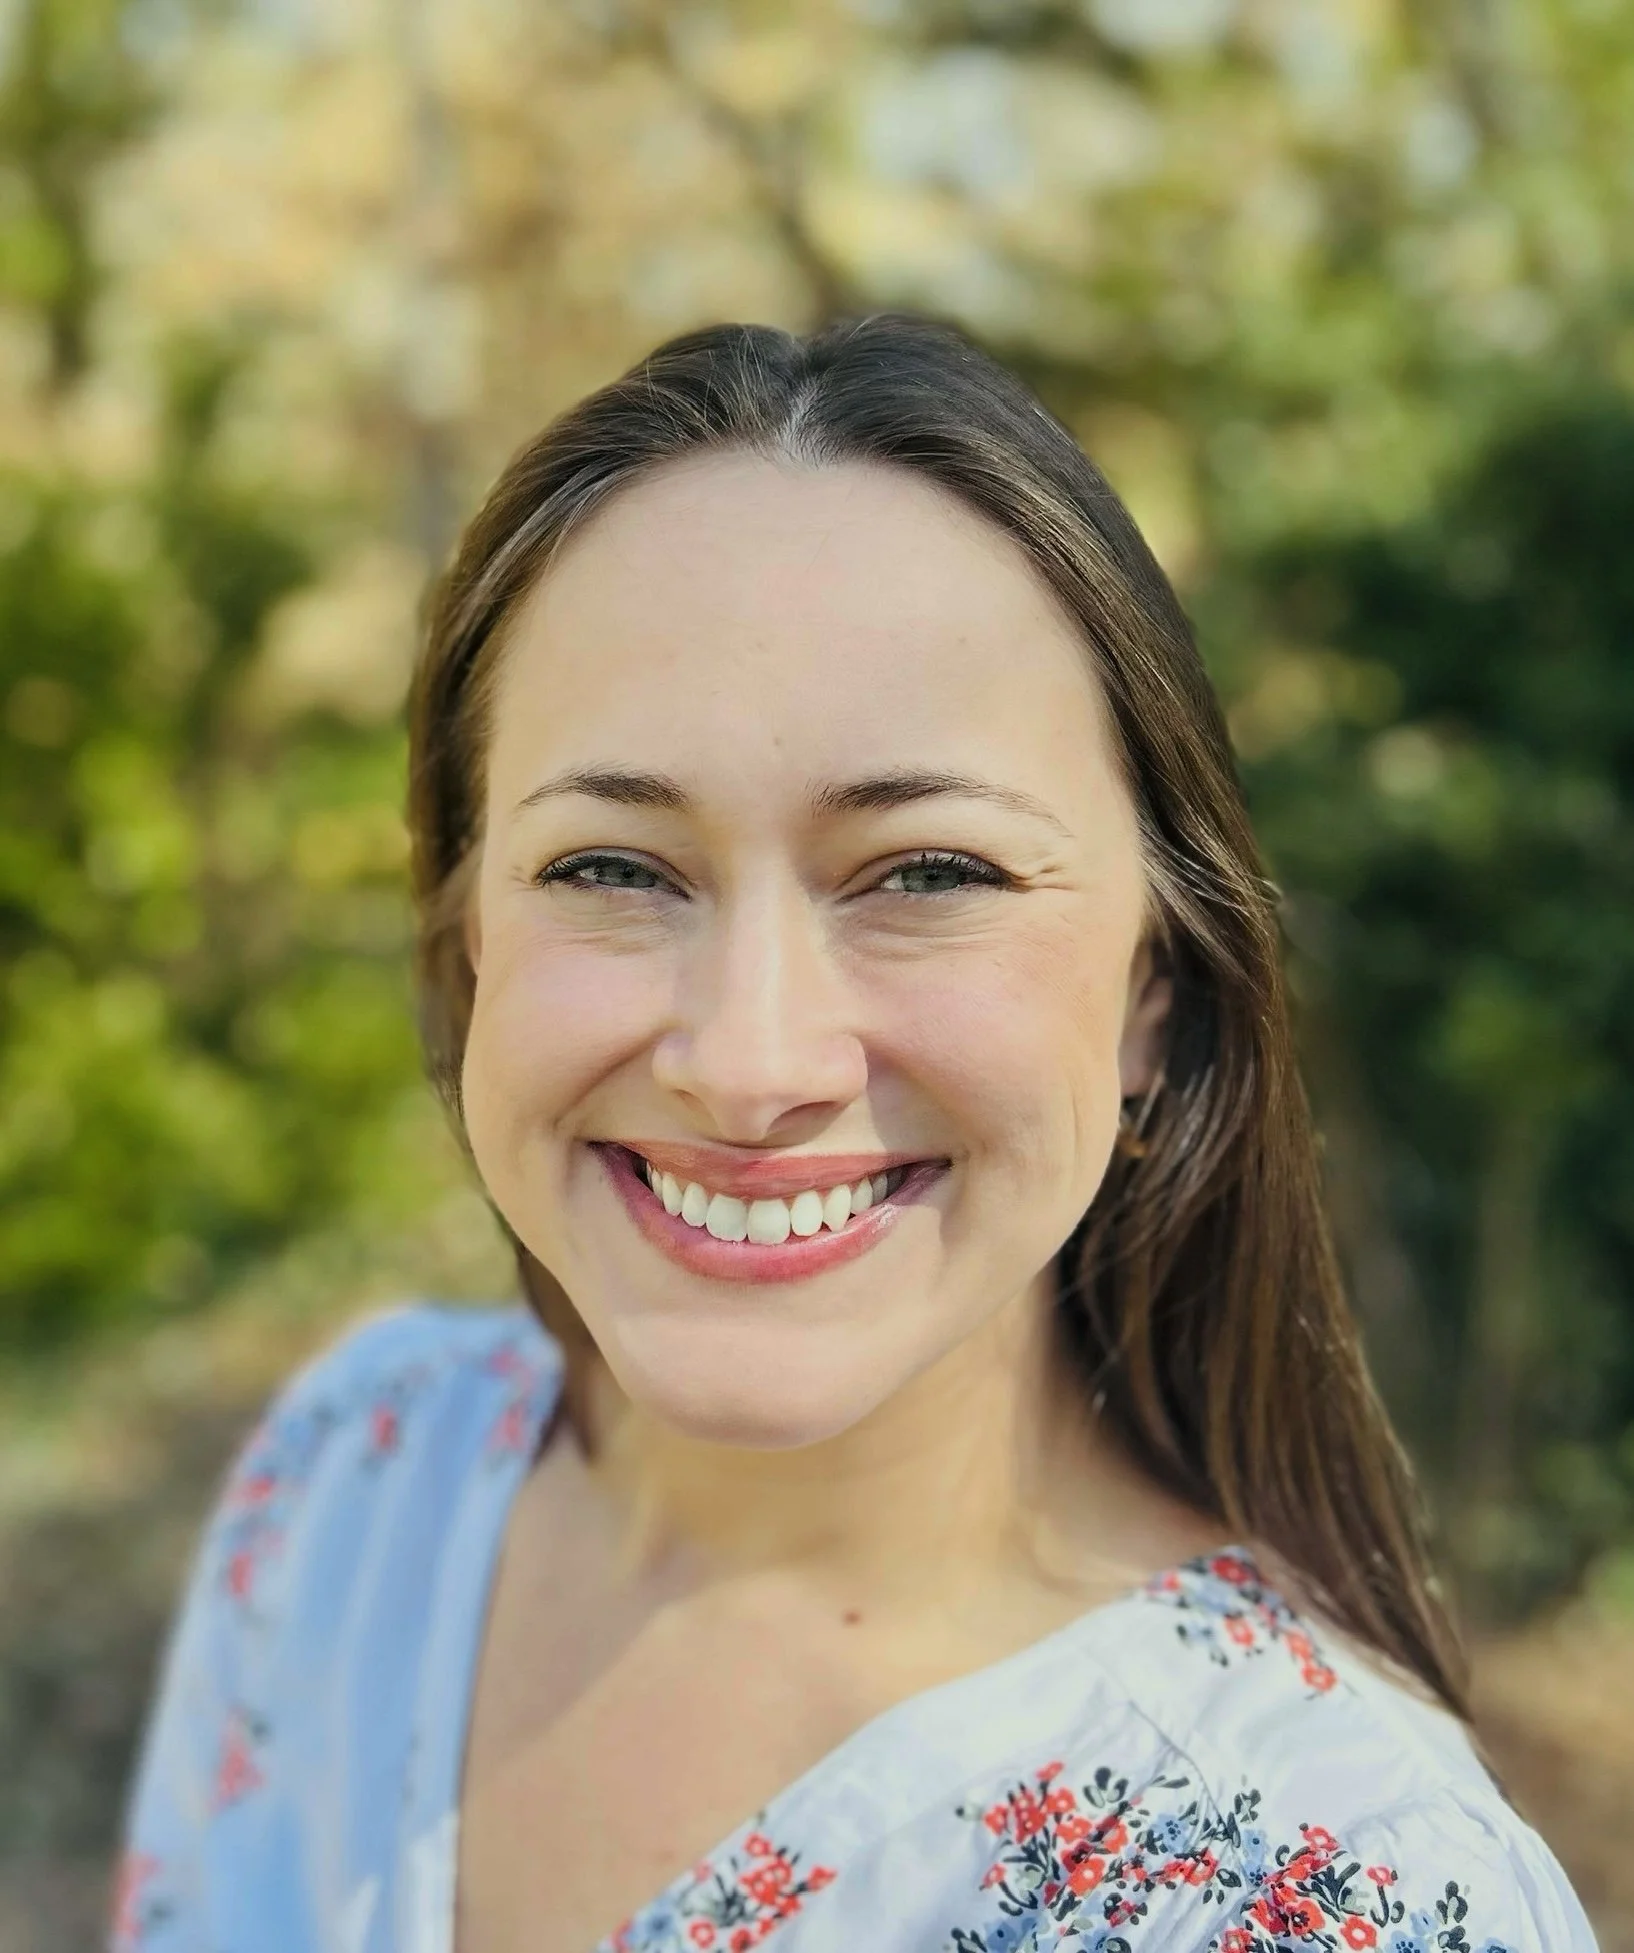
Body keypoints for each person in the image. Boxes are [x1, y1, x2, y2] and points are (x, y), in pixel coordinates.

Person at [110, 315, 1598, 1953]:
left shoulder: (1329, 1900)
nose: (750, 1066)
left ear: (1150, 994)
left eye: (928, 875)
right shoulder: (352, 1475)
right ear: (471, 931)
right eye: (612, 867)